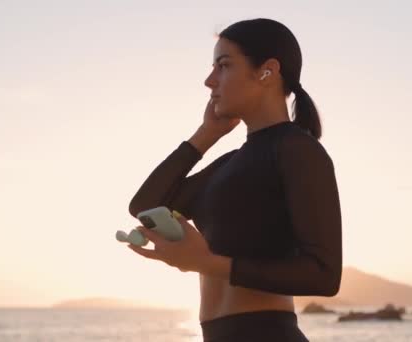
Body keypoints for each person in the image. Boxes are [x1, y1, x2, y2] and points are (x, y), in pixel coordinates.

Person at [127, 18, 342, 342]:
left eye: (223, 66)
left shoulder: (298, 150)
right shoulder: (229, 164)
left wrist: (207, 263)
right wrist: (205, 135)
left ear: (267, 71)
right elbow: (145, 207)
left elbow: (324, 276)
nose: (209, 80)